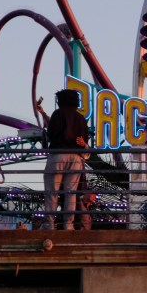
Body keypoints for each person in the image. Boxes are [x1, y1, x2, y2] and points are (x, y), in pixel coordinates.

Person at [42, 89, 90, 230]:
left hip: (58, 154)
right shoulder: (80, 118)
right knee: (71, 193)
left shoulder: (57, 114)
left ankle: (49, 223)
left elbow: (51, 134)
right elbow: (85, 140)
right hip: (75, 157)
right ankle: (68, 224)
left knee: (52, 191)